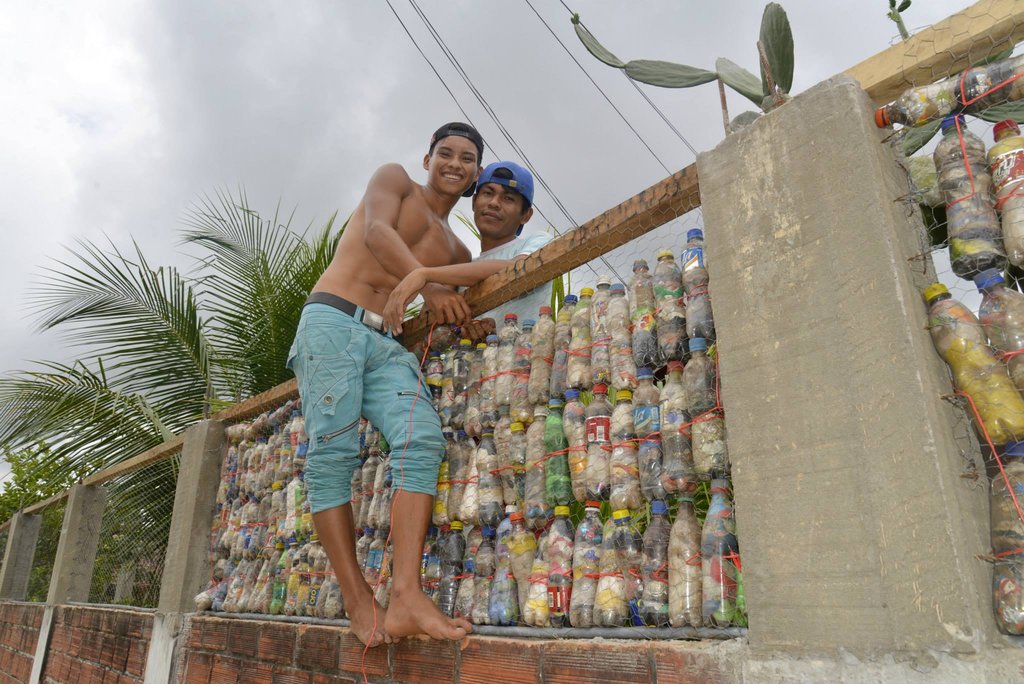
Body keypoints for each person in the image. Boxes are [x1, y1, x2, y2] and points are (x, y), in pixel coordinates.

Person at [287, 122, 487, 647]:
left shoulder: (459, 250)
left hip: (386, 344)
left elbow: (449, 300)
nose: (454, 163)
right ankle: (359, 602)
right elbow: (378, 234)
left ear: (474, 175)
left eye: (467, 159)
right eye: (446, 153)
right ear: (427, 159)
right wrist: (427, 280)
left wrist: (467, 317)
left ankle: (405, 597)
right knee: (332, 455)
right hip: (333, 321)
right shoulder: (394, 179)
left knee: (421, 438)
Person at [383, 161, 549, 333]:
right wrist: (462, 331)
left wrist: (424, 274)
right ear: (474, 202)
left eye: (508, 198)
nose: (494, 203)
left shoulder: (536, 241)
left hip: (529, 356)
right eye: (487, 193)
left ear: (526, 215)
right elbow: (429, 336)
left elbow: (519, 267)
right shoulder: (461, 273)